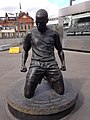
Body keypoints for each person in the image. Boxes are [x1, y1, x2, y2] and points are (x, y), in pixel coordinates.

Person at [20, 9, 66, 99]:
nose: (38, 25)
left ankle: (48, 77)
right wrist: (23, 64)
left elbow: (60, 50)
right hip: (36, 64)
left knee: (60, 91)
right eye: (37, 22)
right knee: (27, 94)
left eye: (41, 22)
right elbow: (25, 50)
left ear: (47, 21)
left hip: (51, 64)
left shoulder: (54, 34)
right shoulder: (30, 34)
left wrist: (63, 63)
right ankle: (44, 76)